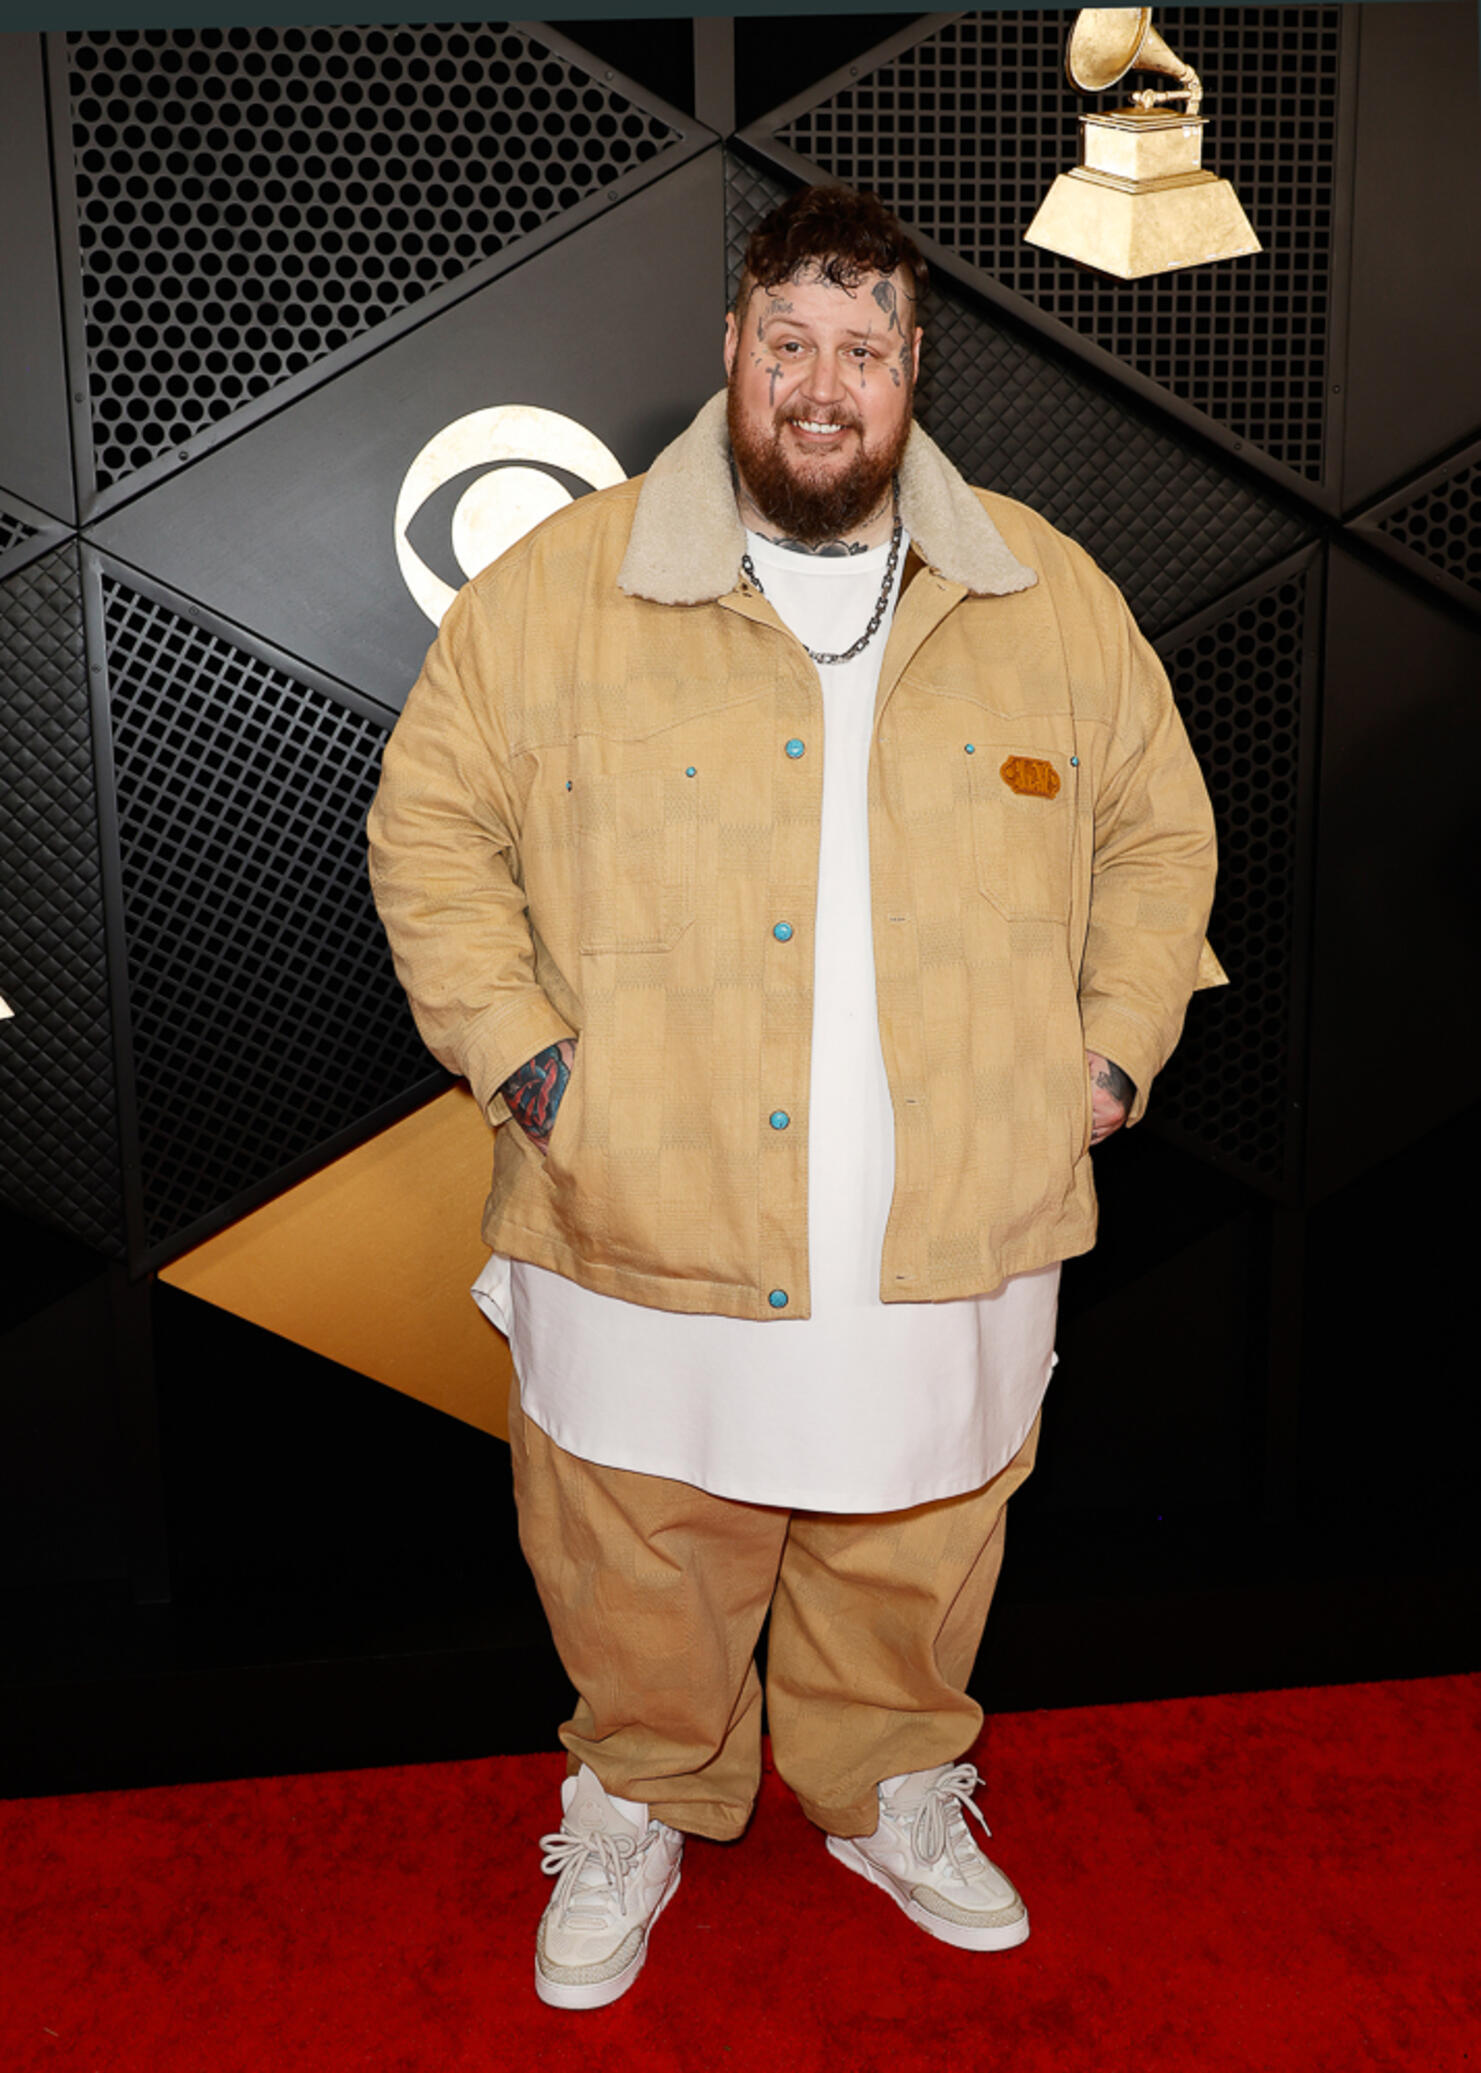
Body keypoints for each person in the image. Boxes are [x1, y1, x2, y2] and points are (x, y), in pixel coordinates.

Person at [367, 185, 1218, 2010]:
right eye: (787, 347)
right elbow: (430, 823)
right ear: (730, 355)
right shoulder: (557, 586)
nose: (820, 388)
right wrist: (525, 1058)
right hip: (644, 1185)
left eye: (861, 350)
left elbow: (1158, 833)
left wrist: (1110, 1046)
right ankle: (637, 1793)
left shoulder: (1045, 592)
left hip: (952, 1195)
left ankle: (892, 1777)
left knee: (918, 1516)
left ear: (912, 370)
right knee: (636, 1529)